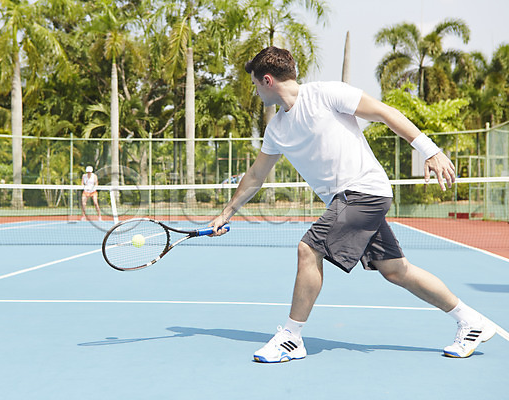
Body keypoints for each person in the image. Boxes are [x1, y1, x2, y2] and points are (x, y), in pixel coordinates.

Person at [209, 46, 496, 363]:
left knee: (308, 249)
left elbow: (385, 112)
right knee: (396, 270)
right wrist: (226, 213)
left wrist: (430, 150)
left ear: (267, 80)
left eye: (254, 84)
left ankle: (291, 337)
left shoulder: (326, 94)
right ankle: (471, 321)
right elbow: (255, 176)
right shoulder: (276, 129)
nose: (255, 91)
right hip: (345, 199)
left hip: (363, 190)